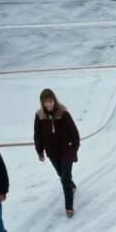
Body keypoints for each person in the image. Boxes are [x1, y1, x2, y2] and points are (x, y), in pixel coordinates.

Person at [34, 88, 80, 217]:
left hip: (67, 149)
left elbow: (74, 132)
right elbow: (38, 135)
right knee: (62, 174)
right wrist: (40, 151)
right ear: (42, 103)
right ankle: (71, 185)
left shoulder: (63, 113)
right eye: (45, 102)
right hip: (52, 151)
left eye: (50, 101)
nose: (48, 104)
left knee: (64, 177)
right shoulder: (39, 116)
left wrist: (74, 148)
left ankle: (69, 206)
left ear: (54, 100)